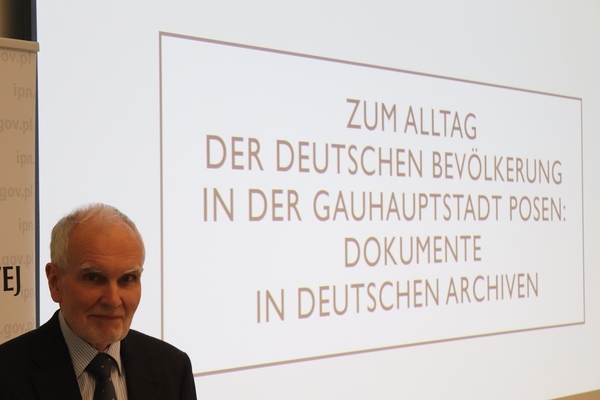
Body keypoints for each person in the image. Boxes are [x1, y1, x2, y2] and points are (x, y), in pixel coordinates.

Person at [0, 203, 197, 400]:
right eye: (93, 278)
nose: (113, 300)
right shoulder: (7, 375)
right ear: (55, 282)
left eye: (127, 279)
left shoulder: (173, 369)